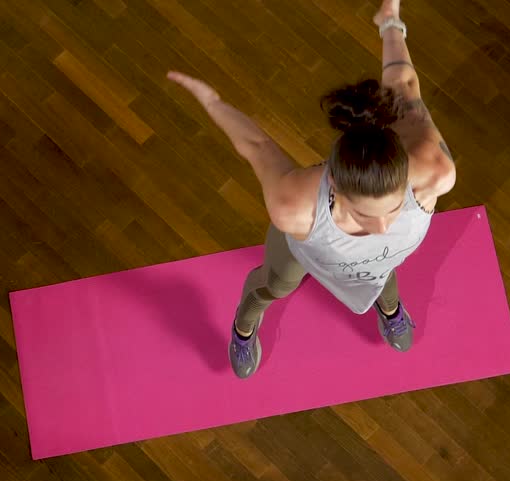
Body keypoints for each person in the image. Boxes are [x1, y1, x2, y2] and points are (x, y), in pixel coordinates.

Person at [169, 0, 456, 379]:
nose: (384, 226)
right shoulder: (294, 207)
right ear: (333, 184)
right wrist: (212, 102)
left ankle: (388, 309)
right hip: (306, 250)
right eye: (365, 215)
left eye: (391, 209)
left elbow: (403, 84)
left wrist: (391, 23)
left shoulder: (435, 174)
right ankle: (243, 329)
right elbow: (256, 146)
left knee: (383, 265)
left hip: (380, 262)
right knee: (272, 287)